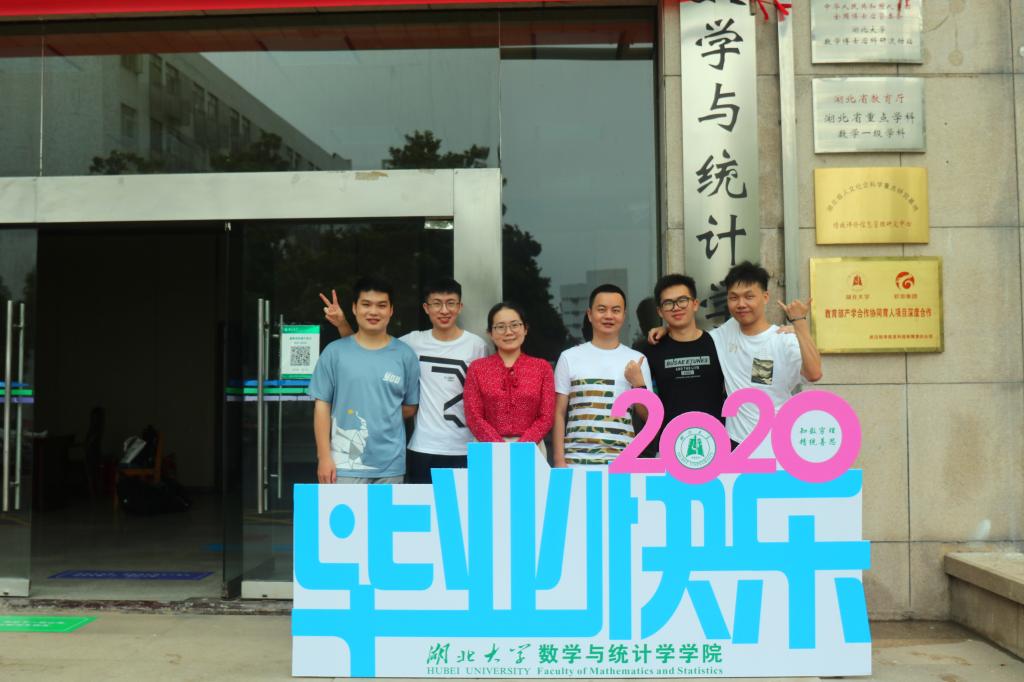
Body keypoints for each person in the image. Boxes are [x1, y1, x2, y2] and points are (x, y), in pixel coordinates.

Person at [319, 278, 488, 483]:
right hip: (422, 447)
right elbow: (365, 351)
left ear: (460, 306)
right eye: (436, 303)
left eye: (450, 303)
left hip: (466, 445)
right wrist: (342, 324)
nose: (444, 310)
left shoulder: (477, 346)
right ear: (426, 308)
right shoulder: (411, 343)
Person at [649, 262, 822, 454]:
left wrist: (799, 324)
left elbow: (814, 373)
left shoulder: (783, 339)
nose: (741, 304)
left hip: (777, 442)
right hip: (735, 444)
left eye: (749, 296)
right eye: (734, 297)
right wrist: (666, 329)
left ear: (765, 297)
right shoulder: (724, 334)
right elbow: (688, 333)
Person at [309, 276, 419, 484]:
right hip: (344, 465)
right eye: (366, 304)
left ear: (391, 310)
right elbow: (322, 405)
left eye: (381, 305)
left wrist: (379, 417)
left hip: (390, 465)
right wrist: (324, 457)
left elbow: (410, 406)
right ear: (354, 308)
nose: (373, 312)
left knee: (387, 509)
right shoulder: (334, 352)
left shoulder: (405, 355)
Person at [552, 284, 652, 468]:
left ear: (624, 315)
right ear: (590, 314)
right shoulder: (569, 357)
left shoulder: (637, 360)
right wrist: (559, 461)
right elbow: (559, 413)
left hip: (622, 465)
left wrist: (639, 384)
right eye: (602, 309)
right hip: (576, 463)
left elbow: (648, 417)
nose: (609, 315)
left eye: (616, 310)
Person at [463, 302, 554, 453]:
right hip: (486, 447)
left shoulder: (542, 368)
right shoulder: (477, 368)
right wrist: (500, 447)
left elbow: (547, 417)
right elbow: (473, 416)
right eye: (500, 327)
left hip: (531, 448)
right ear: (490, 333)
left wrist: (522, 447)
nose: (508, 332)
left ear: (525, 329)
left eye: (515, 325)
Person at [640, 274, 726, 431]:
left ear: (695, 304)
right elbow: (644, 406)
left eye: (682, 300)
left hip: (716, 438)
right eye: (668, 303)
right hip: (670, 440)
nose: (676, 307)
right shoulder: (651, 350)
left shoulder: (717, 344)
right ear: (660, 311)